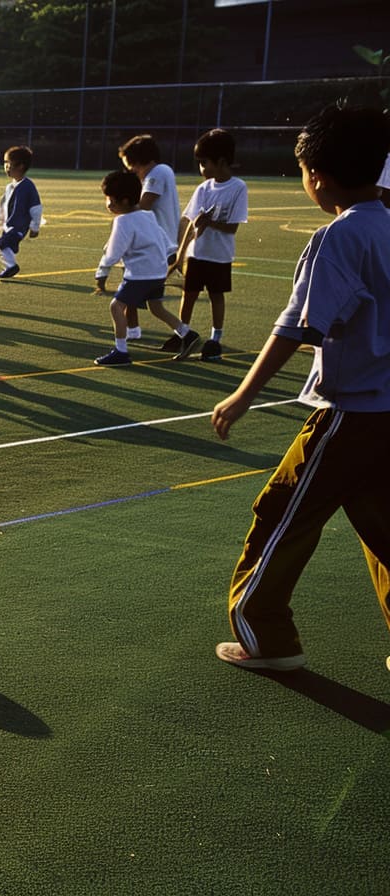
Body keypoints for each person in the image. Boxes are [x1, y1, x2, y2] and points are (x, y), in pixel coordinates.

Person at [211, 104, 390, 673]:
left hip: (351, 412)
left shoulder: (341, 236)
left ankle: (267, 637)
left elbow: (300, 325)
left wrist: (242, 394)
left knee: (280, 515)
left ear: (320, 177)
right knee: (380, 523)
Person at [90, 170, 200, 366]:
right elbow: (163, 239)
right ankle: (187, 334)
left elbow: (114, 252)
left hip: (140, 274)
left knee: (116, 306)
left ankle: (121, 351)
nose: (108, 204)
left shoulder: (122, 220)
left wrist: (102, 272)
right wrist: (170, 256)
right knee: (156, 307)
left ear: (123, 201)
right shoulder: (147, 215)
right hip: (157, 272)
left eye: (110, 199)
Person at [169, 129, 248, 361]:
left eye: (204, 163)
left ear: (222, 161)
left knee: (216, 296)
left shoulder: (238, 187)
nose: (201, 168)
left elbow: (232, 227)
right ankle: (183, 333)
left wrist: (210, 222)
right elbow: (192, 223)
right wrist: (181, 255)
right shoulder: (203, 189)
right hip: (197, 253)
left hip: (219, 255)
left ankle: (215, 339)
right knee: (189, 293)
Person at [117, 135, 180, 342]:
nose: (132, 171)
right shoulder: (160, 172)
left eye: (132, 166)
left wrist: (119, 204)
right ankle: (133, 330)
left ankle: (183, 332)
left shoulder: (158, 172)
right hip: (153, 241)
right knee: (143, 295)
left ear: (142, 159)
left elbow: (143, 205)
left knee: (132, 290)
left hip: (155, 243)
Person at [0, 145, 42, 280]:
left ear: (20, 166)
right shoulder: (10, 187)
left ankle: (11, 266)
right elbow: (2, 208)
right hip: (9, 226)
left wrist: (34, 227)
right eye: (5, 163)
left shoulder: (27, 186)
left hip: (19, 226)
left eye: (9, 163)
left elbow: (36, 208)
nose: (6, 167)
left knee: (0, 244)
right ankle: (9, 267)